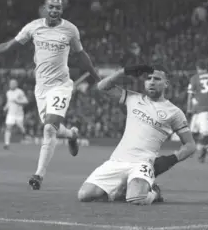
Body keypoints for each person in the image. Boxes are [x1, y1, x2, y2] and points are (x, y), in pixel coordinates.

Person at [0, 0, 100, 190]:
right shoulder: (33, 27)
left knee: (48, 128)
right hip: (41, 89)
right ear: (44, 8)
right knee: (52, 128)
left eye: (58, 8)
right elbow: (7, 47)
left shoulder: (70, 30)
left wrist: (97, 78)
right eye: (51, 7)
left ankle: (38, 175)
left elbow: (82, 55)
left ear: (61, 10)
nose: (54, 11)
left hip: (61, 86)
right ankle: (71, 135)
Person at [77, 65, 196, 205]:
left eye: (157, 79)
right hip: (117, 161)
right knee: (84, 195)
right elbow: (102, 86)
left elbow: (190, 145)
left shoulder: (174, 112)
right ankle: (120, 190)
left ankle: (154, 193)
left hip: (142, 163)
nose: (151, 81)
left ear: (166, 84)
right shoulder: (133, 98)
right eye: (148, 78)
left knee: (136, 199)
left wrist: (170, 160)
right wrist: (123, 71)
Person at [3, 79, 28, 150]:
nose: (11, 85)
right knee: (8, 127)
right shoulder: (8, 93)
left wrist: (17, 102)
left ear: (16, 85)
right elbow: (9, 102)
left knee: (20, 126)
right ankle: (6, 144)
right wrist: (5, 107)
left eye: (13, 84)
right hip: (11, 113)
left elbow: (26, 101)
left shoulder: (20, 92)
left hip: (19, 114)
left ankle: (24, 134)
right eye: (10, 83)